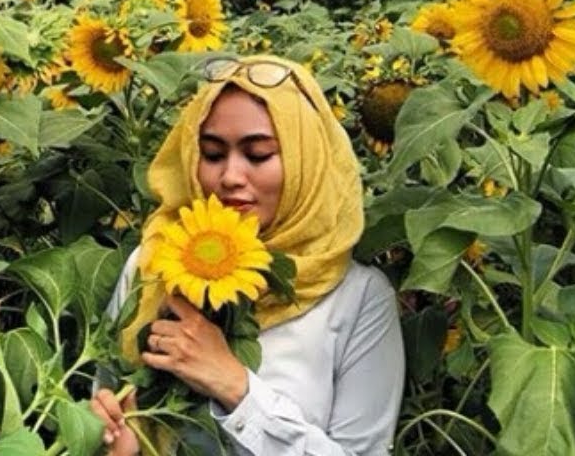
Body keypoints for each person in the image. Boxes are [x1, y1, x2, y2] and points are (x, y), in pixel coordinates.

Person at [90, 55, 405, 455]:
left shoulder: (357, 298)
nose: (230, 177)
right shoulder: (153, 264)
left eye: (258, 155)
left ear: (304, 160)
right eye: (213, 153)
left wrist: (234, 386)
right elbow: (108, 406)